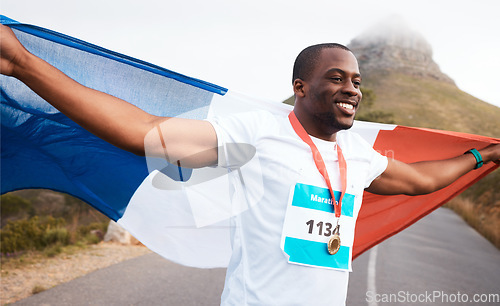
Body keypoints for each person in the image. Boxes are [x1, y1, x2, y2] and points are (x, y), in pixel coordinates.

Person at [1, 25, 499, 305]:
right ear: (300, 88)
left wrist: (485, 155)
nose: (352, 88)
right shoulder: (258, 134)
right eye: (336, 77)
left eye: (357, 80)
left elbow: (419, 180)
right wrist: (24, 65)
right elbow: (147, 133)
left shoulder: (357, 155)